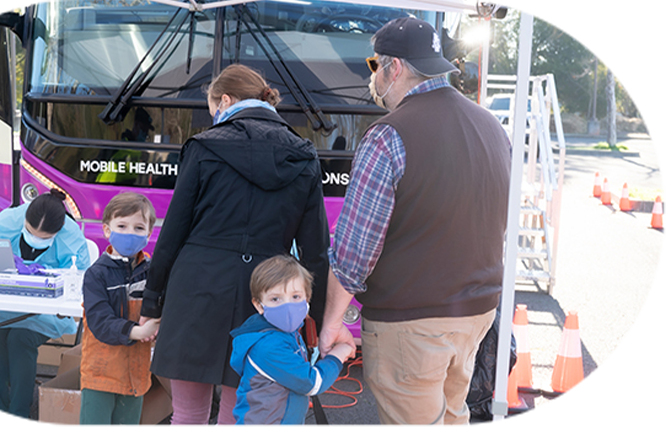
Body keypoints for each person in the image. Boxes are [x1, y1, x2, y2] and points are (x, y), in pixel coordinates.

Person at [318, 17, 511, 427]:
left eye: (375, 66)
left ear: (395, 68)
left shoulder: (388, 135)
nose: (373, 79)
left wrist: (332, 322)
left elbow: (354, 251)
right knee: (452, 415)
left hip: (412, 322)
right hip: (477, 312)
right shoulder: (492, 127)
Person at [140, 64, 330, 427]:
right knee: (240, 411)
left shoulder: (204, 146)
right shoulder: (304, 154)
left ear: (225, 100)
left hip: (196, 285)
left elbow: (174, 232)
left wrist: (153, 300)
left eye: (213, 107)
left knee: (188, 414)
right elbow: (315, 248)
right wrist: (315, 317)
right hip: (265, 293)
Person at [0, 189, 90, 427]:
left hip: (45, 312)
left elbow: (80, 283)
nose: (35, 239)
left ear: (58, 232)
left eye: (44, 237)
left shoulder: (72, 239)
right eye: (30, 232)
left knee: (21, 339)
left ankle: (18, 415)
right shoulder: (4, 223)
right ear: (24, 219)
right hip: (3, 307)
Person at [230, 255, 352, 427]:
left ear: (307, 298)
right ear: (258, 305)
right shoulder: (268, 346)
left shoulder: (288, 333)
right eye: (275, 299)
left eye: (295, 297)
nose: (287, 307)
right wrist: (337, 356)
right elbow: (311, 382)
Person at [79, 192, 161, 427]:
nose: (129, 233)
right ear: (107, 229)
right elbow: (99, 320)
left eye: (138, 228)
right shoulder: (96, 274)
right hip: (100, 373)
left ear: (148, 233)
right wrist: (136, 332)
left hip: (137, 373)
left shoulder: (153, 271)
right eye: (122, 226)